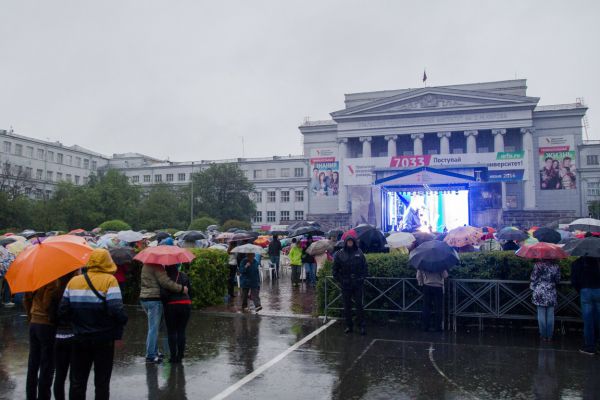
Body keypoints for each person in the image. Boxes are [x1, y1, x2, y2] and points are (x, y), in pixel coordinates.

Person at [58, 249, 128, 400]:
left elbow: (63, 311)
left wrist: (76, 323)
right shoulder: (110, 281)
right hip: (104, 338)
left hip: (79, 337)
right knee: (102, 381)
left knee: (77, 380)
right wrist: (122, 321)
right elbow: (116, 309)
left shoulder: (74, 281)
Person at [140, 261, 188, 363]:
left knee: (152, 327)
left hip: (144, 298)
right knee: (154, 328)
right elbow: (166, 283)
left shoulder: (146, 265)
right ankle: (150, 355)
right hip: (154, 299)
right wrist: (181, 288)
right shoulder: (157, 267)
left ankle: (154, 351)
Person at [24, 278, 63, 400]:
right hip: (46, 325)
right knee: (47, 364)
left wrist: (30, 316)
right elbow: (47, 304)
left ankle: (30, 395)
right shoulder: (51, 280)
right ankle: (43, 396)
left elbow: (26, 300)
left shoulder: (32, 280)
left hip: (34, 322)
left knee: (33, 363)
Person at [333, 236, 368, 335]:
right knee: (347, 306)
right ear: (345, 242)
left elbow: (364, 266)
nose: (350, 243)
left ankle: (361, 326)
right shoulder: (340, 254)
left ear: (354, 242)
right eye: (348, 242)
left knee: (359, 305)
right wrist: (340, 280)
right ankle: (349, 326)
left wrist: (362, 278)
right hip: (346, 284)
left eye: (351, 241)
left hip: (357, 283)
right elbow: (335, 269)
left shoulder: (359, 252)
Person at [53, 271, 77, 400]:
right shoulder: (74, 289)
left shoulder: (54, 291)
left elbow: (54, 314)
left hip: (59, 336)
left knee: (60, 375)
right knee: (75, 376)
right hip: (74, 336)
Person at [162, 265, 192, 363]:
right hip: (185, 304)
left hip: (171, 306)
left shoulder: (165, 278)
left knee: (171, 332)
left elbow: (164, 294)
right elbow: (190, 291)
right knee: (181, 331)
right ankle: (180, 356)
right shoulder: (184, 276)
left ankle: (173, 356)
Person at [571, 256, 600, 355]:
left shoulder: (577, 262)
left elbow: (574, 281)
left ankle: (590, 346)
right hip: (598, 290)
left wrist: (580, 289)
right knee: (598, 318)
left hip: (585, 290)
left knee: (588, 320)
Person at [530, 259, 561, 342]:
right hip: (551, 291)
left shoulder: (537, 265)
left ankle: (543, 335)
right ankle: (549, 335)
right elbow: (558, 280)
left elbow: (533, 278)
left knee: (541, 314)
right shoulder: (556, 266)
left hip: (540, 291)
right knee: (550, 314)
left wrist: (533, 288)